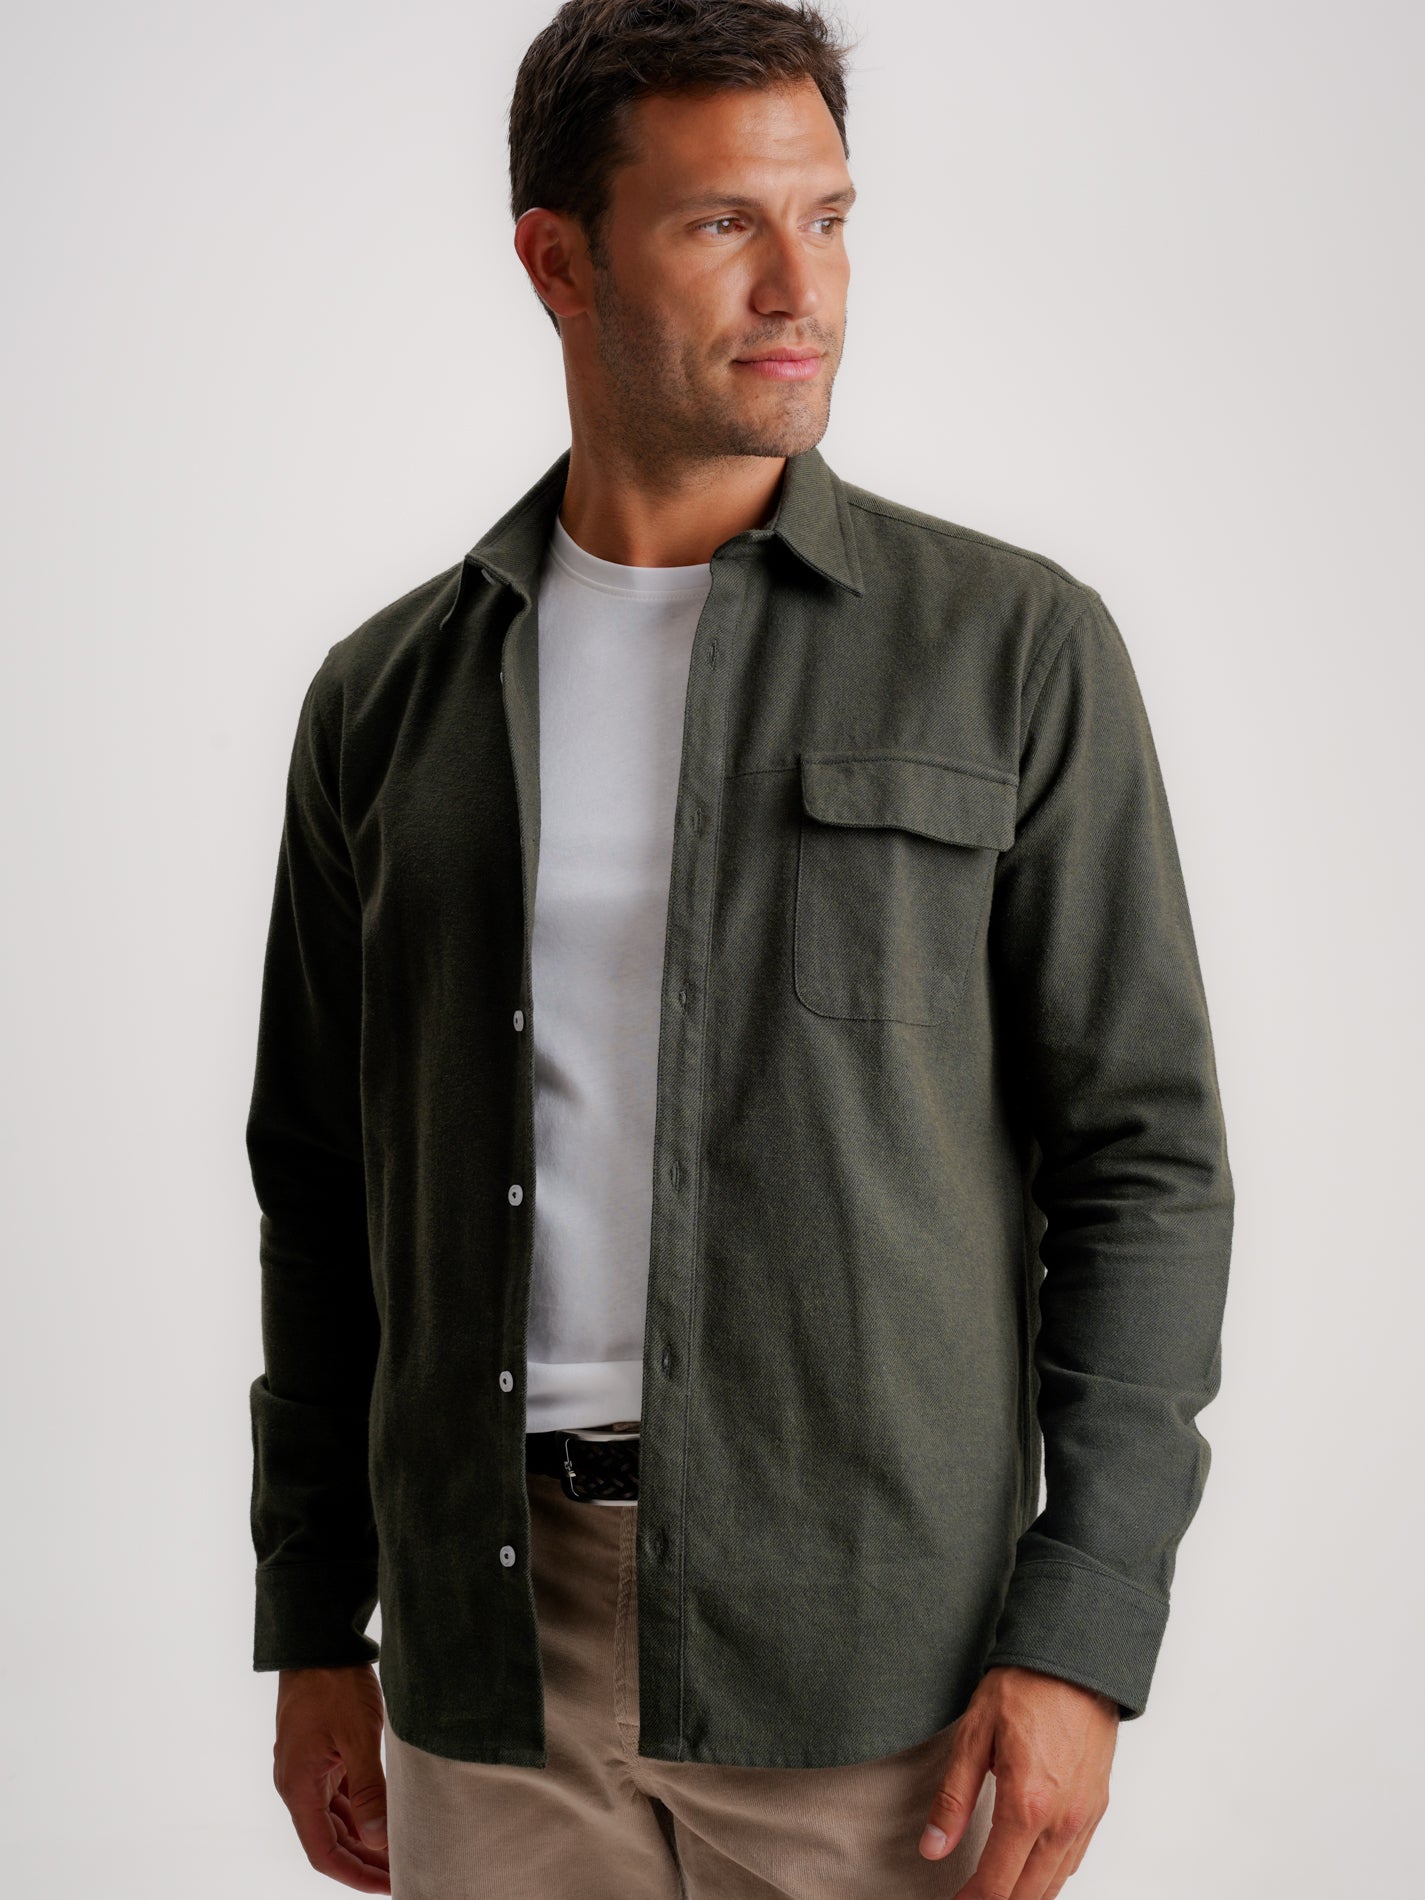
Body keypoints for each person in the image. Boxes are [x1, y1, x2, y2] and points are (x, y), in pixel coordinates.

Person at [245, 3, 1234, 1895]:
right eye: (723, 224)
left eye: (830, 218)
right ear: (558, 261)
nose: (803, 288)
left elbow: (1146, 1168)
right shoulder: (384, 703)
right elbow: (318, 1188)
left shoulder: (1010, 651)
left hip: (881, 1672)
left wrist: (1083, 1632)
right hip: (485, 1663)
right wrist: (313, 1623)